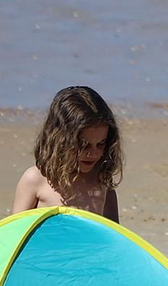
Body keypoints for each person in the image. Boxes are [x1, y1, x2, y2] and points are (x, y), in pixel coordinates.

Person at [12, 86, 122, 222]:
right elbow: (15, 232)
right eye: (83, 145)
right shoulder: (35, 180)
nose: (93, 153)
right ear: (60, 140)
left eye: (101, 144)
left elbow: (114, 236)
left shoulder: (101, 182)